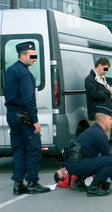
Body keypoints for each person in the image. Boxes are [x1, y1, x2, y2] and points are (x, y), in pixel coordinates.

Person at [4, 41, 50, 195]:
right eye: (32, 56)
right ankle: (32, 182)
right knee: (33, 149)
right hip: (24, 115)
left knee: (18, 149)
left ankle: (18, 184)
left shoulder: (10, 71)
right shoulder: (25, 74)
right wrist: (35, 121)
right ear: (23, 55)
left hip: (11, 114)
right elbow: (28, 99)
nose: (35, 59)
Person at [64, 104, 112, 197]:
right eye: (110, 119)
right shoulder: (100, 135)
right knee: (109, 161)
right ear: (103, 120)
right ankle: (94, 188)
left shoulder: (92, 130)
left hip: (71, 164)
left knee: (94, 159)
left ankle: (79, 182)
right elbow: (108, 158)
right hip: (77, 164)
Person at [84, 57, 112, 139]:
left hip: (105, 114)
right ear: (99, 65)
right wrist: (108, 91)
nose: (106, 71)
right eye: (105, 68)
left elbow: (105, 95)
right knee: (98, 139)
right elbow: (94, 94)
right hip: (97, 115)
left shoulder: (102, 79)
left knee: (106, 138)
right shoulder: (90, 79)